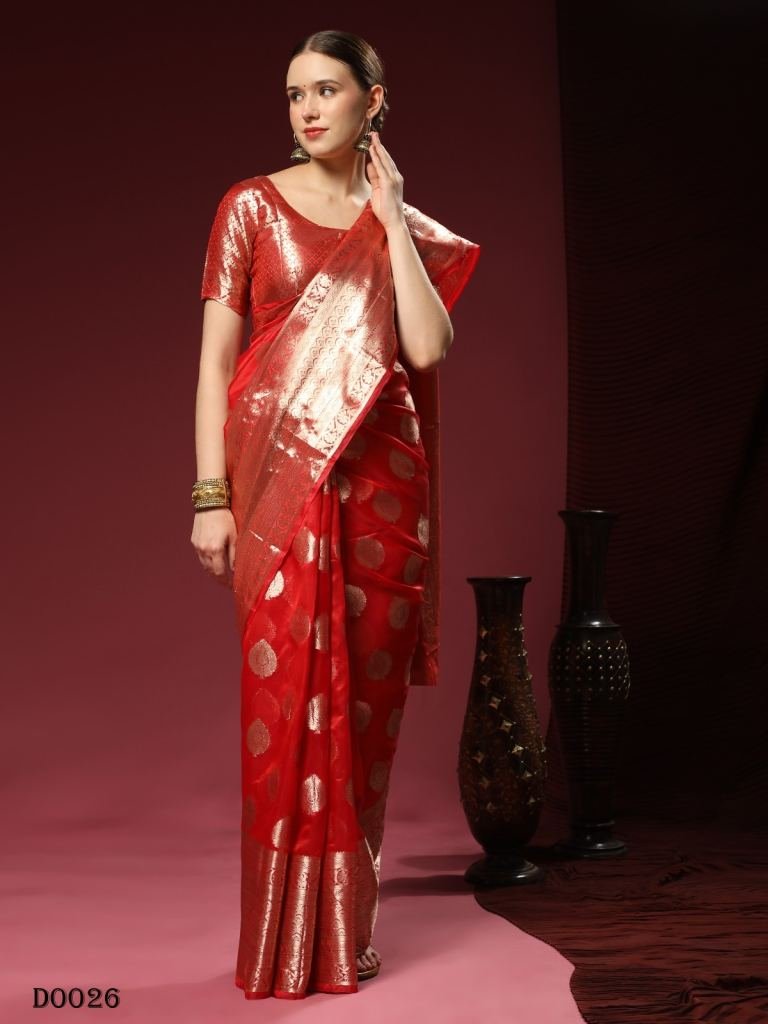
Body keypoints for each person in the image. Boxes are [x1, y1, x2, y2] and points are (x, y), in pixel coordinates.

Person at [190, 29, 481, 1000]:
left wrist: (390, 217)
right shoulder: (248, 207)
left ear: (373, 100)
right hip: (279, 488)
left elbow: (426, 350)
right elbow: (215, 365)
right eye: (294, 94)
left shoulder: (396, 220)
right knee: (284, 710)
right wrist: (210, 495)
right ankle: (282, 942)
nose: (307, 109)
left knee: (366, 714)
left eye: (325, 90)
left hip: (384, 489)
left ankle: (346, 931)